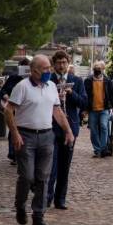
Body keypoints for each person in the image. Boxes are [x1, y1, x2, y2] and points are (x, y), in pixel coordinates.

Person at [3, 55, 75, 225]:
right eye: (45, 69)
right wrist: (15, 134)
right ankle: (20, 205)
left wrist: (68, 131)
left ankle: (38, 215)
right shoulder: (22, 87)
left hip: (46, 136)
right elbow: (8, 110)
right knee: (27, 176)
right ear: (34, 70)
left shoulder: (51, 87)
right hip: (26, 136)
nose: (48, 71)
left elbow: (57, 111)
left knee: (43, 177)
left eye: (49, 68)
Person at [47, 51, 87, 210]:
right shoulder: (49, 80)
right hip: (51, 127)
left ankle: (60, 199)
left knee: (65, 166)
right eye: (59, 63)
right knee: (51, 166)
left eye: (64, 62)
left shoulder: (76, 80)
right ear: (54, 64)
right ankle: (47, 197)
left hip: (71, 126)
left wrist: (72, 94)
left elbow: (84, 102)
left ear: (68, 63)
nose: (62, 65)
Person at [1, 58, 31, 165]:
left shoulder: (33, 79)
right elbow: (3, 90)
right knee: (13, 130)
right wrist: (5, 96)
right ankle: (13, 154)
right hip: (13, 108)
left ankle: (24, 154)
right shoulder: (13, 78)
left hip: (27, 109)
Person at [84, 61, 113, 158]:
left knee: (104, 126)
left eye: (99, 69)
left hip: (104, 108)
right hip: (92, 109)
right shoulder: (88, 80)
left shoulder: (107, 80)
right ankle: (97, 149)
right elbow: (86, 95)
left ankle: (103, 148)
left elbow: (111, 95)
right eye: (96, 69)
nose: (97, 71)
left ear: (102, 70)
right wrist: (85, 109)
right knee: (93, 129)